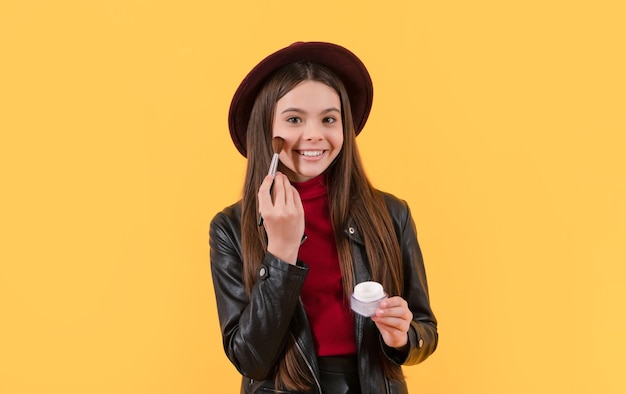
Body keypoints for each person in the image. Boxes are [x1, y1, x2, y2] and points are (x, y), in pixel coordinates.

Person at [209, 41, 438, 393]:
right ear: (266, 129)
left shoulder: (392, 214)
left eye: (329, 119)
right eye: (294, 119)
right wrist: (282, 251)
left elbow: (425, 331)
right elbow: (251, 359)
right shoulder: (229, 229)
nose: (314, 134)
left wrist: (402, 336)